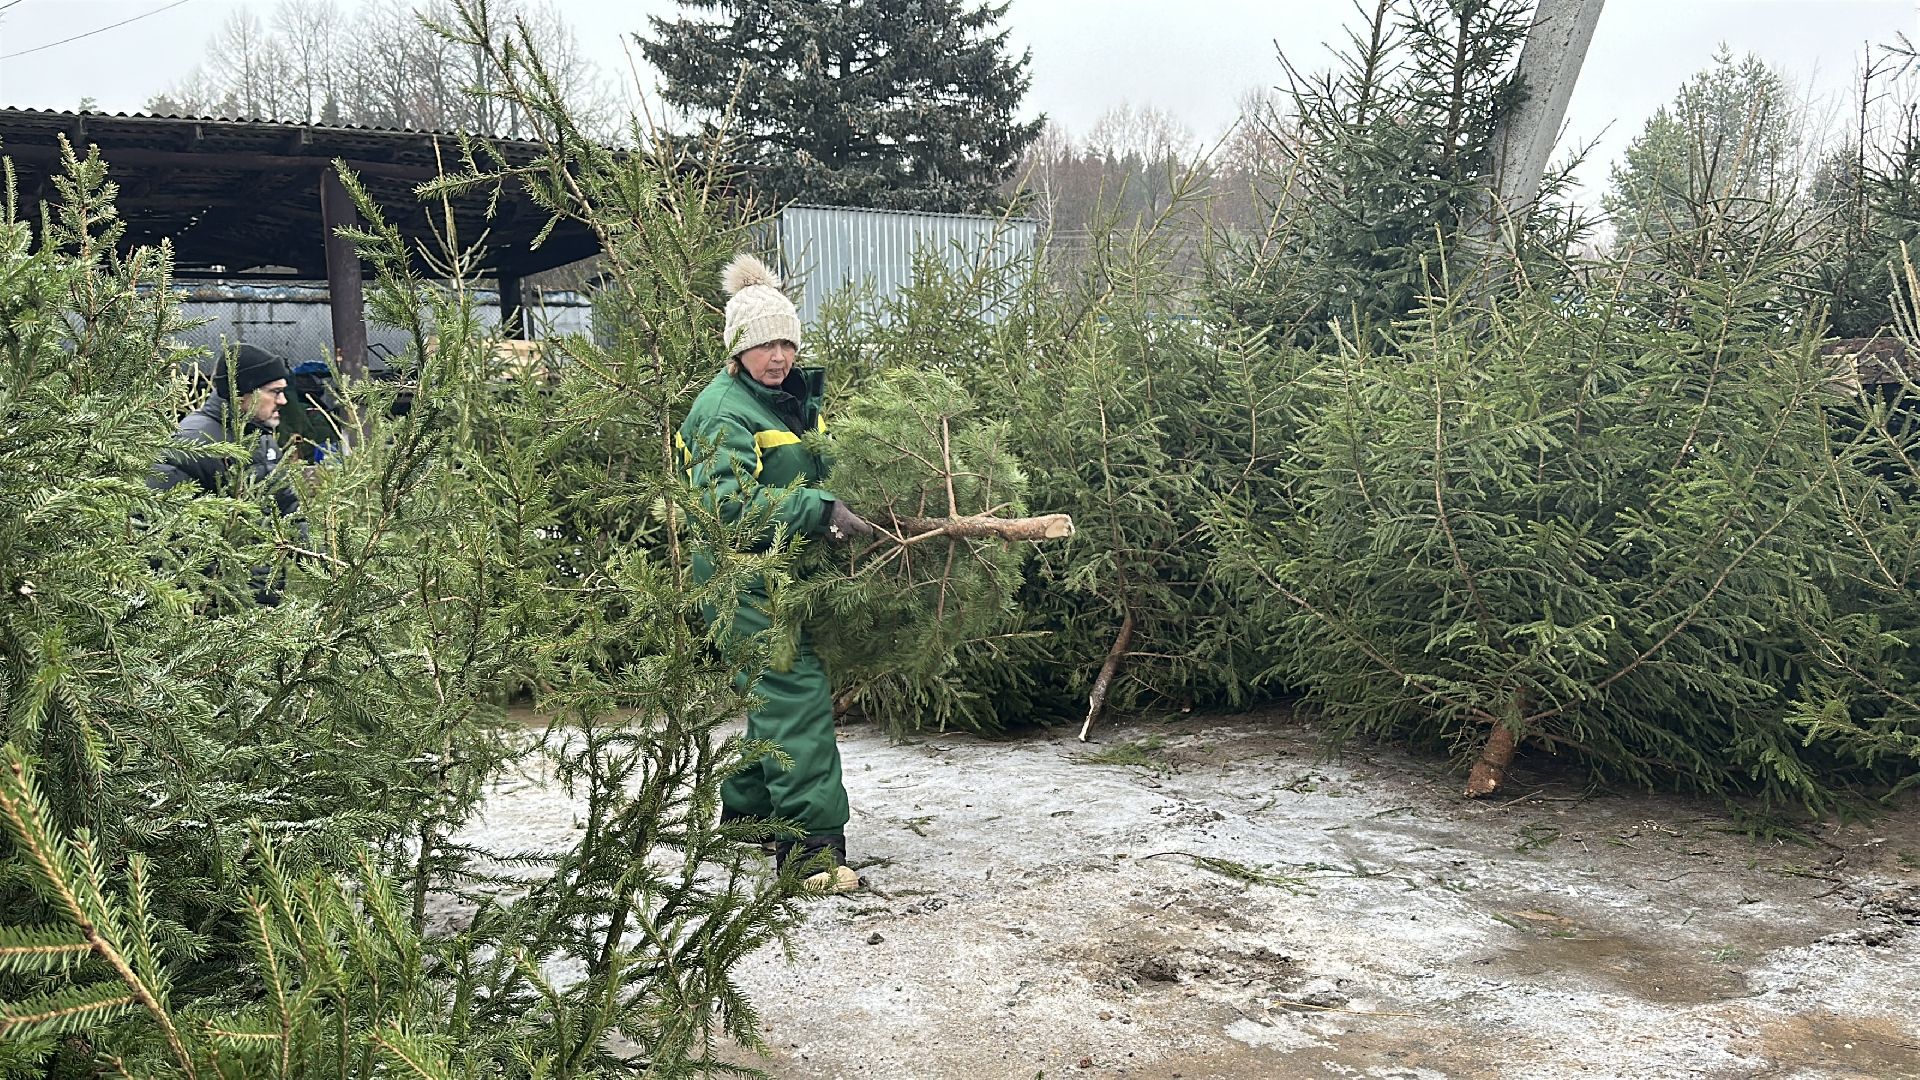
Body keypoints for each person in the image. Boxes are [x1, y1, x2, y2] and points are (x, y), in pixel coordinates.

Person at [679, 253, 875, 894]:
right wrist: (819, 510)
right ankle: (811, 847)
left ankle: (747, 816)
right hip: (743, 578)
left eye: (787, 340)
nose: (780, 354)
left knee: (775, 699)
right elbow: (728, 510)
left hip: (789, 571)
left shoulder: (791, 402)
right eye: (766, 343)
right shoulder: (721, 411)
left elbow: (812, 474)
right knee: (795, 695)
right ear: (739, 349)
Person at [150, 343, 299, 518]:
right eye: (275, 391)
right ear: (241, 393)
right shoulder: (191, 443)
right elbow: (163, 519)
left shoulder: (261, 437)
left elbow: (288, 508)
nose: (283, 401)